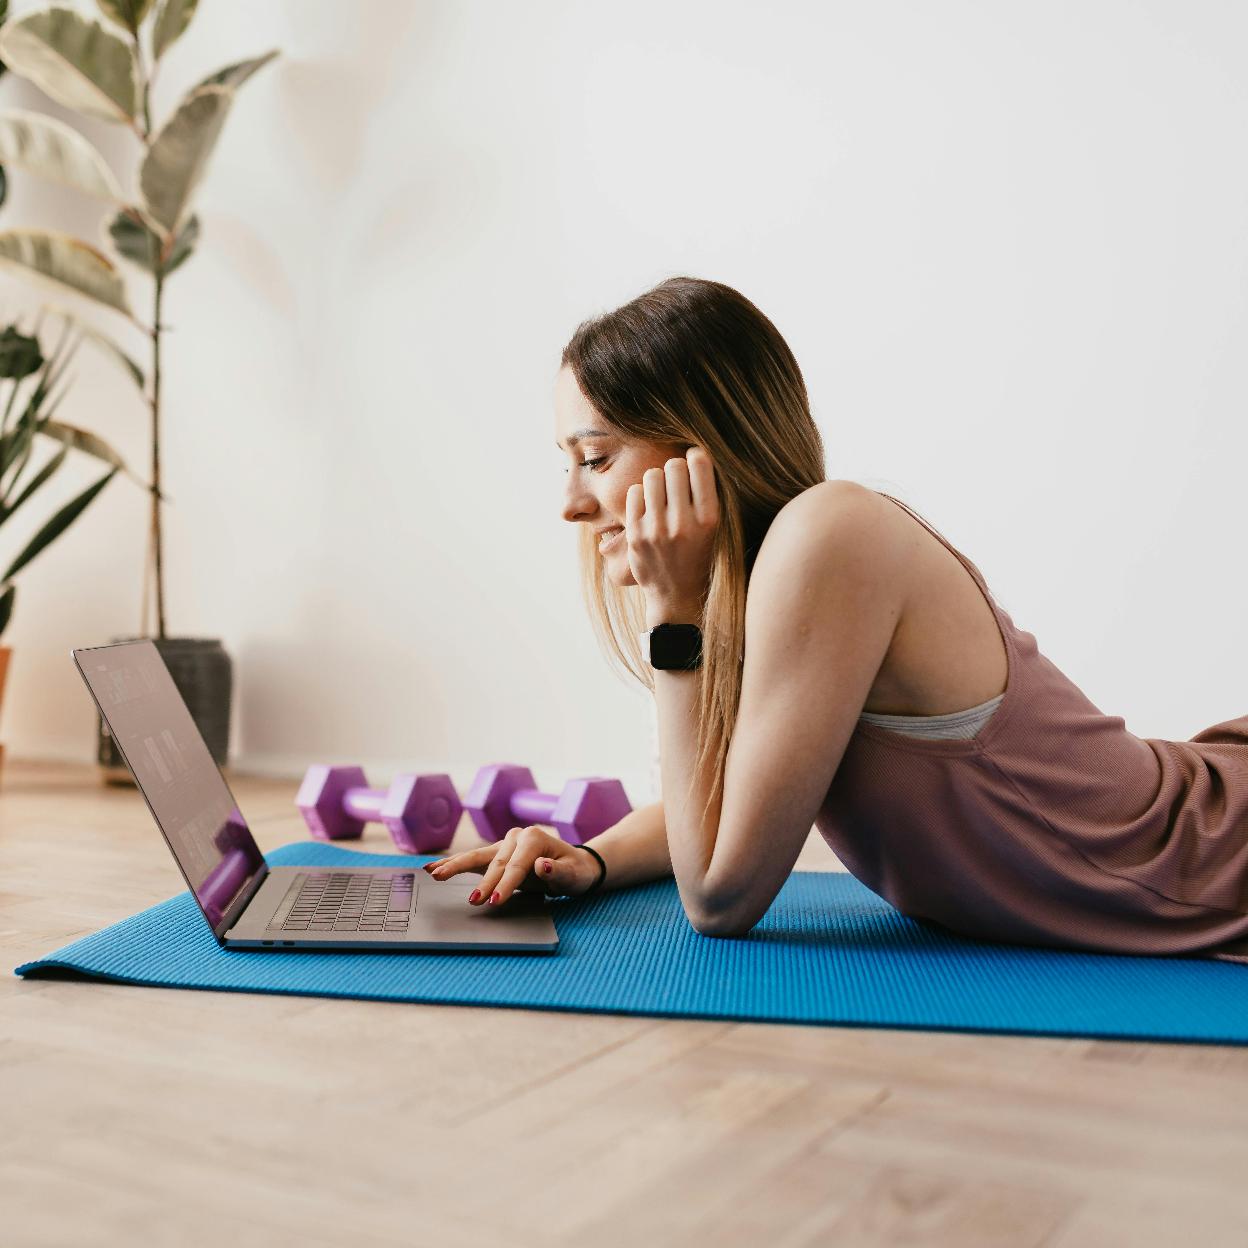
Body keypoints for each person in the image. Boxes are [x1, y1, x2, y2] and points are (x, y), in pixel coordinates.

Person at [424, 276, 1248, 964]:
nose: (572, 504)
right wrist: (593, 860)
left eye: (597, 459)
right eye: (567, 465)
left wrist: (674, 615)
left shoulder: (832, 533)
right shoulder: (777, 584)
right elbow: (727, 803)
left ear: (700, 445)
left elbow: (720, 896)